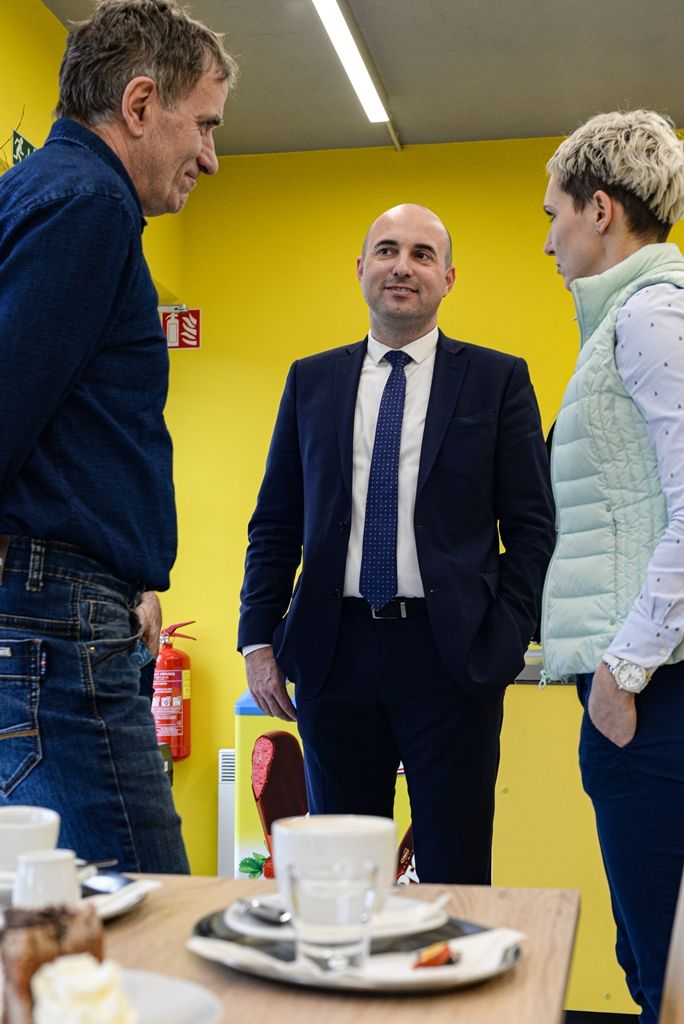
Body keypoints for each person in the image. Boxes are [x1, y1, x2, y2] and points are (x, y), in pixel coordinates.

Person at [239, 203, 555, 883]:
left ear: (448, 277)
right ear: (360, 269)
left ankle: (451, 988)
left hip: (451, 658)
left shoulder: (498, 380)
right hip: (334, 651)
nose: (402, 267)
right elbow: (276, 520)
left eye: (421, 254)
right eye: (386, 250)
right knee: (342, 873)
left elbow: (532, 527)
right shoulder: (311, 380)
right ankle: (350, 988)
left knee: (456, 869)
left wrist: (504, 642)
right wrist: (257, 639)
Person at [0, 0, 237, 872]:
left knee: (61, 923)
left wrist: (126, 575)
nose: (210, 156)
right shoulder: (90, 208)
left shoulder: (39, 195)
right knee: (146, 919)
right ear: (140, 106)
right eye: (203, 126)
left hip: (52, 611)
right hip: (55, 629)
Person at [541, 110, 684, 1023]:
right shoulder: (632, 320)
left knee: (663, 979)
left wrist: (624, 668)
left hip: (656, 696)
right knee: (654, 963)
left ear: (599, 210)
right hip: (644, 692)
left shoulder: (652, 315)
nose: (546, 239)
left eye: (552, 213)